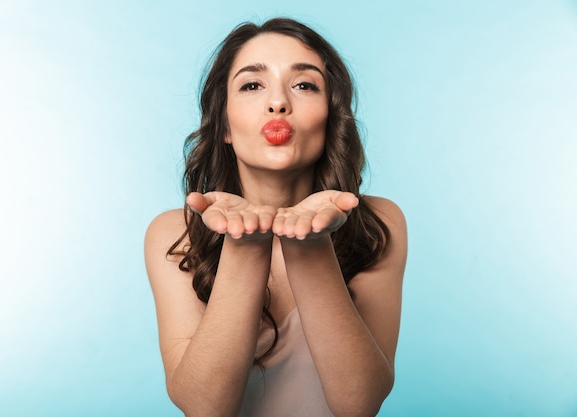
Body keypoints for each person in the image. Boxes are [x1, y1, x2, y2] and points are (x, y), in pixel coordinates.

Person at [144, 17, 407, 417]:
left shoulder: (378, 224)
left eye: (304, 85)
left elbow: (359, 405)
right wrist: (245, 246)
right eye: (252, 85)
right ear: (225, 125)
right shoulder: (173, 234)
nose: (279, 102)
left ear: (331, 117)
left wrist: (310, 244)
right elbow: (204, 407)